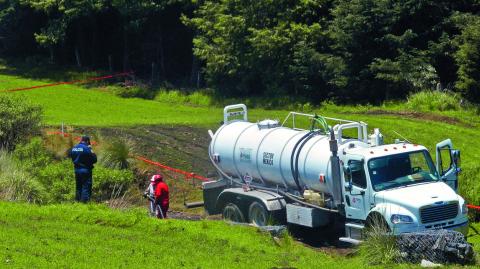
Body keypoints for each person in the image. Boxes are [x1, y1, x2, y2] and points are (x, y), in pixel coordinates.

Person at [69, 135, 97, 202]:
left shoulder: (74, 148)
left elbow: (71, 156)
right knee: (86, 186)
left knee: (78, 186)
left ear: (81, 140)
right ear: (87, 141)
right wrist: (91, 150)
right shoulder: (87, 148)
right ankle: (84, 202)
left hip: (76, 170)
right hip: (85, 170)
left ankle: (77, 200)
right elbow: (94, 159)